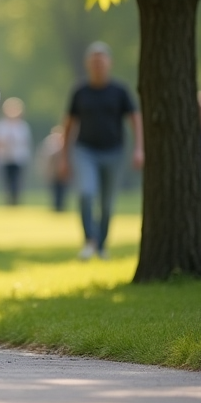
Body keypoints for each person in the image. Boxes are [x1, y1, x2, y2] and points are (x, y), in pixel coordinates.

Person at [60, 42, 143, 260]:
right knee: (86, 194)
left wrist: (139, 149)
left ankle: (102, 245)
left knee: (107, 204)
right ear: (88, 64)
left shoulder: (120, 91)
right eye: (94, 60)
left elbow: (135, 119)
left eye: (101, 60)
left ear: (109, 63)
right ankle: (89, 241)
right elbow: (68, 125)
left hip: (114, 152)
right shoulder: (80, 92)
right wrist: (63, 156)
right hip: (85, 150)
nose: (98, 64)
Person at [0, 97, 33, 205]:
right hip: (4, 158)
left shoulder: (23, 126)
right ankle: (8, 200)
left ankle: (15, 200)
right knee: (6, 181)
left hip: (18, 158)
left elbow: (26, 143)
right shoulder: (1, 126)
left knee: (16, 180)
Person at [37, 124, 69, 212]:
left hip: (62, 174)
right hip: (53, 173)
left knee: (62, 190)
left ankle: (61, 207)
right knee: (54, 191)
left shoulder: (65, 144)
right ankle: (56, 207)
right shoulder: (50, 144)